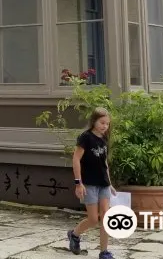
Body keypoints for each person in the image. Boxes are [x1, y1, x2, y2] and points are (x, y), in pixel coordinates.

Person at [68, 107, 116, 259]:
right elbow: (76, 159)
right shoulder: (85, 137)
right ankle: (74, 234)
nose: (105, 126)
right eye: (102, 123)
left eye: (107, 124)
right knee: (93, 219)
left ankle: (104, 252)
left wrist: (110, 183)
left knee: (106, 218)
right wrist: (78, 183)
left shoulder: (104, 139)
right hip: (89, 184)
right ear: (94, 121)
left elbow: (104, 163)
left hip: (104, 184)